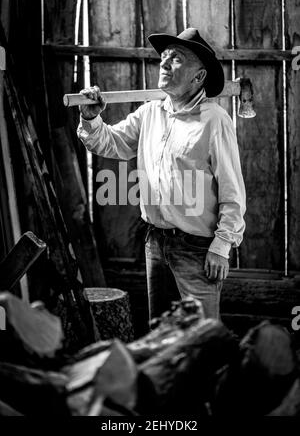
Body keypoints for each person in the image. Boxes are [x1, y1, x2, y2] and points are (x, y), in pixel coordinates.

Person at [77, 28, 246, 323]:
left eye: (176, 59)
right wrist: (91, 118)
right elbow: (110, 143)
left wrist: (222, 246)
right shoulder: (150, 114)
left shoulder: (215, 121)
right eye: (163, 58)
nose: (164, 64)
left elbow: (232, 192)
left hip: (197, 248)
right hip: (155, 242)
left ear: (199, 77)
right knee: (161, 333)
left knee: (199, 340)